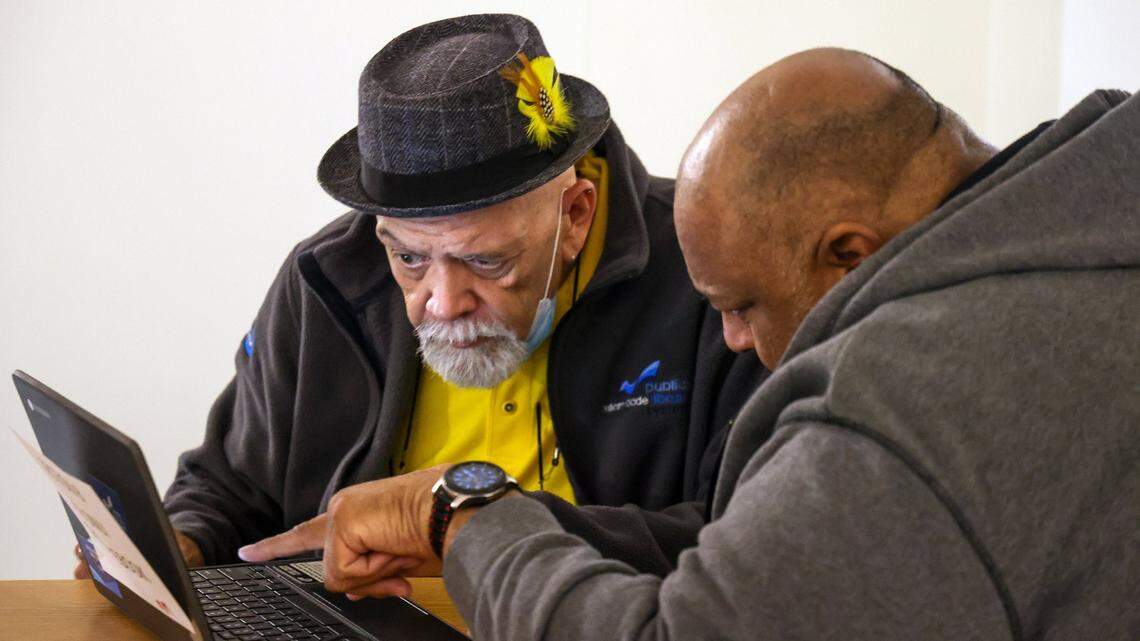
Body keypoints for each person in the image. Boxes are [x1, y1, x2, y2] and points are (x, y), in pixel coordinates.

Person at [240, 48, 1140, 640]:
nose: (734, 339)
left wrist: (460, 509)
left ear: (850, 254)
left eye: (743, 304)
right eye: (406, 256)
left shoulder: (914, 389)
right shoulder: (1091, 228)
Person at [74, 14, 766, 576]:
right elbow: (231, 486)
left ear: (576, 213)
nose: (441, 302)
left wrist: (462, 526)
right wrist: (176, 546)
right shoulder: (327, 280)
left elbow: (747, 539)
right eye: (409, 256)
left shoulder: (713, 277)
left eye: (486, 260)